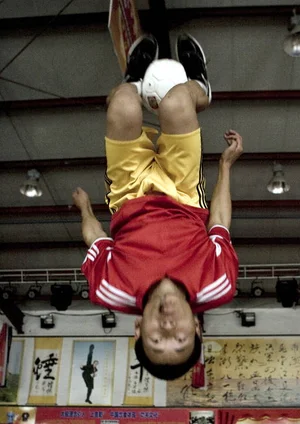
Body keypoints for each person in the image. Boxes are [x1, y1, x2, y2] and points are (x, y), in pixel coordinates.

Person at [73, 34, 243, 381]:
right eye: (179, 339)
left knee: (121, 103)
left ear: (137, 330)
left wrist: (85, 209)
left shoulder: (110, 289)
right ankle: (200, 86)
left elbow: (96, 240)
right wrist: (225, 166)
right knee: (177, 103)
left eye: (155, 339)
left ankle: (134, 81)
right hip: (183, 193)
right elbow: (220, 221)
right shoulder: (218, 283)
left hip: (127, 192)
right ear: (197, 328)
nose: (167, 326)